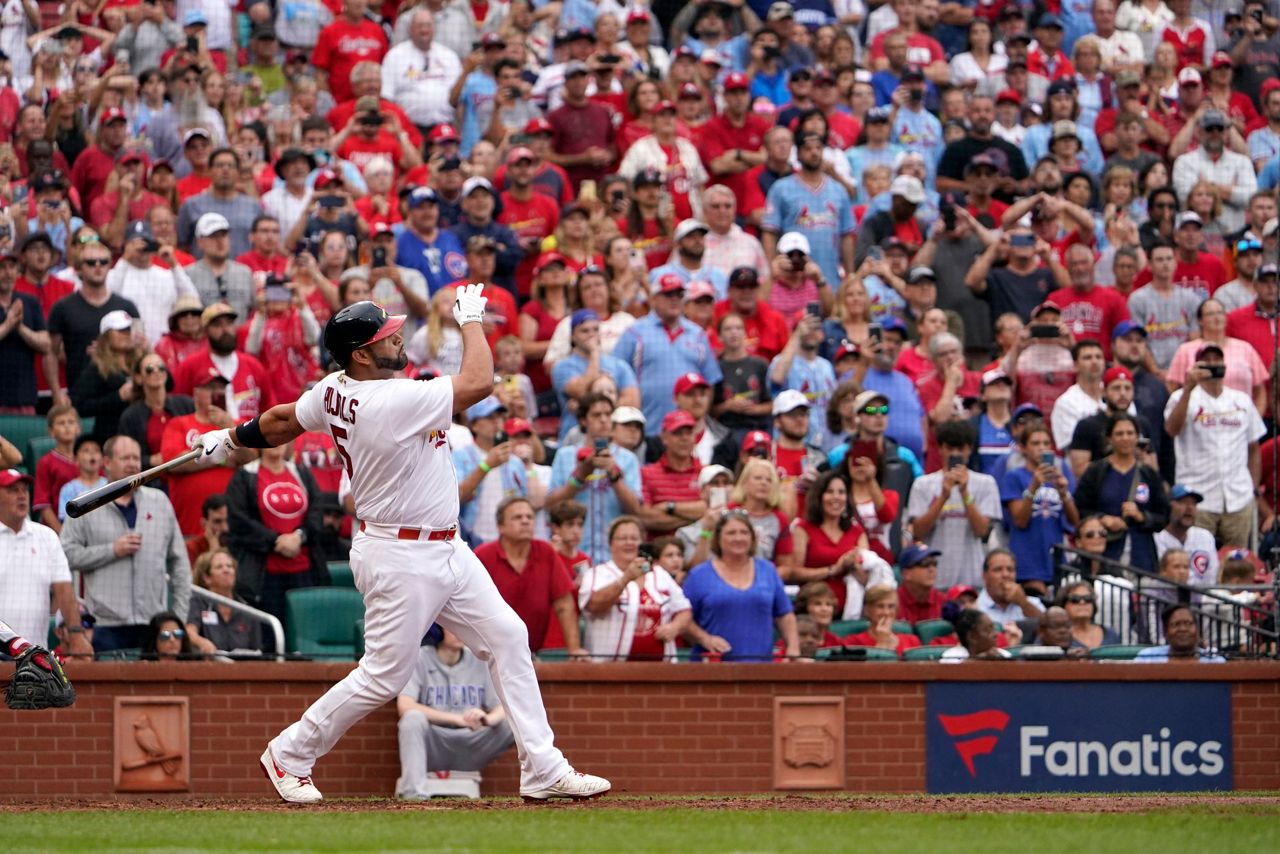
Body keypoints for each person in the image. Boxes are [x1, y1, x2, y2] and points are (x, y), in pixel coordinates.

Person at [196, 291, 609, 802]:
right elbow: (480, 381)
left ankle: (543, 767)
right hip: (399, 553)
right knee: (384, 674)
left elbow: (284, 419)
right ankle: (290, 752)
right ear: (361, 355)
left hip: (444, 546)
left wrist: (231, 437)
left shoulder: (334, 390)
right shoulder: (387, 401)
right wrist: (472, 321)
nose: (397, 337)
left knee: (507, 637)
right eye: (384, 336)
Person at [59, 436, 191, 653]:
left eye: (136, 458)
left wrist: (177, 618)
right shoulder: (86, 503)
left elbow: (180, 566)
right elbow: (65, 555)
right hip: (105, 626)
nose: (133, 464)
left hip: (153, 625)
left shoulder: (159, 502)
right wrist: (111, 550)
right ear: (107, 462)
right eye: (125, 458)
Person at [395, 627, 515, 801]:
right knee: (412, 719)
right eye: (453, 628)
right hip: (433, 744)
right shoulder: (419, 658)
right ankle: (414, 796)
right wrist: (458, 719)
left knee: (514, 721)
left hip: (471, 744)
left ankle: (538, 784)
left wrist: (486, 719)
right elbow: (405, 706)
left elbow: (502, 707)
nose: (460, 633)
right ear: (436, 631)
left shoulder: (480, 659)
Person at [1164, 342, 1266, 548]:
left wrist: (1253, 488)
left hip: (1238, 496)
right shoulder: (1181, 397)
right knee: (1198, 559)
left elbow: (1254, 447)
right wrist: (1188, 389)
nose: (1212, 364)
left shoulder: (1242, 400)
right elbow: (1171, 430)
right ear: (1196, 366)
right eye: (1206, 360)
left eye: (1217, 359)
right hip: (1197, 497)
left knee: (1236, 563)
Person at [225, 442, 329, 629]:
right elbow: (239, 520)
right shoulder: (245, 476)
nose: (276, 443)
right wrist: (275, 540)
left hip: (304, 571)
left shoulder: (302, 474)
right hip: (265, 577)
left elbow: (317, 511)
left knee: (304, 631)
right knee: (271, 635)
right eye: (270, 439)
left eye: (282, 439)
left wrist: (300, 536)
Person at [474, 496, 586, 659]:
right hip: (486, 653)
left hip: (531, 653)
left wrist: (574, 650)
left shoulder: (546, 552)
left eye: (530, 517)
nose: (525, 521)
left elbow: (564, 605)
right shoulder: (483, 555)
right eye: (517, 517)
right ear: (500, 526)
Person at [0, 467, 93, 659]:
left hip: (34, 656)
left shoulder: (47, 537)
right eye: (12, 490)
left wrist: (76, 635)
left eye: (24, 490)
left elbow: (64, 589)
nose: (21, 496)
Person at [611, 274, 723, 433]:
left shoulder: (697, 334)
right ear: (654, 298)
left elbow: (710, 381)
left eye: (679, 294)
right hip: (647, 427)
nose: (674, 299)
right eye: (668, 294)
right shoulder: (635, 332)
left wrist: (699, 420)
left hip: (687, 433)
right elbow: (614, 374)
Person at [682, 511, 800, 662]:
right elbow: (683, 619)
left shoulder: (768, 570)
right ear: (718, 538)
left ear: (752, 537)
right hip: (712, 669)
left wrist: (793, 646)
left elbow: (784, 614)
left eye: (744, 533)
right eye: (731, 533)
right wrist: (705, 639)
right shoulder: (698, 575)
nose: (738, 538)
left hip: (760, 669)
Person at [579, 516, 692, 662]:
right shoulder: (596, 574)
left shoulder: (660, 574)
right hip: (609, 669)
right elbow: (593, 605)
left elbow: (684, 610)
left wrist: (674, 627)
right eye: (622, 538)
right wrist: (625, 578)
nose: (629, 543)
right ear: (610, 544)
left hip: (660, 668)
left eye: (634, 538)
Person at [905, 419, 1002, 589]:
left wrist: (965, 493)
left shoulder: (986, 483)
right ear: (941, 448)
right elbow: (918, 532)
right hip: (935, 581)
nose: (955, 454)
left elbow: (981, 531)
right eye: (950, 448)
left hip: (972, 581)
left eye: (961, 449)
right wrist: (943, 496)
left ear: (969, 449)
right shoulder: (922, 484)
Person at [1075, 413, 1170, 574]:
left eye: (1130, 433)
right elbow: (1080, 508)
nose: (1125, 438)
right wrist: (1102, 519)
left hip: (1141, 555)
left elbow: (1164, 516)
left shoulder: (1148, 474)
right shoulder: (1096, 471)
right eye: (1119, 433)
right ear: (1109, 438)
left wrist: (1142, 517)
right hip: (1106, 553)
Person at [1002, 422, 1079, 590]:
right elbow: (1020, 521)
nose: (1042, 448)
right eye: (1035, 443)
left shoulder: (1058, 476)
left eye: (1046, 443)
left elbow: (1075, 523)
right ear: (1023, 448)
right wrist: (1034, 485)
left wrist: (1064, 493)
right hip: (1027, 561)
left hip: (1055, 559)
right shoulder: (1014, 477)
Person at [69, 310, 147, 444]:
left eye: (128, 329)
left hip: (141, 431)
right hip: (111, 435)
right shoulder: (97, 368)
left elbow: (169, 383)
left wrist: (148, 350)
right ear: (106, 336)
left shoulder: (141, 361)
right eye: (121, 330)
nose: (127, 334)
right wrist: (118, 397)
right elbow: (79, 405)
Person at [185, 549, 265, 656]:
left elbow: (257, 652)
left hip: (241, 669)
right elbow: (189, 633)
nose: (226, 570)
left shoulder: (247, 610)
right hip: (209, 666)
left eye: (229, 566)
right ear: (206, 578)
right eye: (219, 567)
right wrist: (202, 642)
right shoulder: (197, 603)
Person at [1155, 485, 1221, 587]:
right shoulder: (1155, 538)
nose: (1189, 508)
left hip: (1201, 600)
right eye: (1183, 502)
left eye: (1193, 504)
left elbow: (1211, 578)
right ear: (1168, 507)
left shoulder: (1205, 537)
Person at [842, 584, 922, 656]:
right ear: (867, 610)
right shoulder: (853, 643)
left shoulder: (912, 641)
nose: (886, 612)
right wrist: (882, 643)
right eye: (880, 606)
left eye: (891, 606)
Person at [974, 548, 1047, 627]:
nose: (1006, 575)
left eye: (1010, 570)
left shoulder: (1033, 603)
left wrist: (1024, 604)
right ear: (984, 576)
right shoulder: (975, 607)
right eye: (998, 569)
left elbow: (1047, 630)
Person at [1133, 603, 1227, 661]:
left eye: (1188, 624)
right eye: (1176, 624)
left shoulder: (1214, 660)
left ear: (1198, 630)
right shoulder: (1147, 658)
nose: (1183, 629)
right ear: (1166, 631)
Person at [1057, 579, 1123, 650]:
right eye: (1075, 599)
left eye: (1088, 598)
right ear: (1063, 604)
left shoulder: (1110, 634)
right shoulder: (1058, 636)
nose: (1082, 602)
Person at [942, 608, 1013, 661]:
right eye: (988, 630)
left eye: (993, 628)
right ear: (972, 637)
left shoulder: (1004, 656)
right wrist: (978, 660)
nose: (995, 634)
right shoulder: (950, 657)